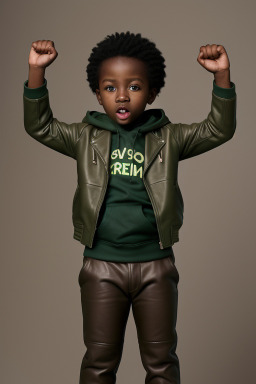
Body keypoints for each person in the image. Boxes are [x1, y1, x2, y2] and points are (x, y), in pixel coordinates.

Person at [23, 32, 236, 384]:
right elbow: (40, 126)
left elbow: (218, 129)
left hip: (156, 266)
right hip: (101, 267)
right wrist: (36, 73)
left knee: (162, 364)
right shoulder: (84, 137)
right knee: (98, 364)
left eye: (134, 87)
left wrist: (221, 77)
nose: (122, 95)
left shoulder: (169, 137)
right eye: (110, 88)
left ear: (151, 93)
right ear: (97, 93)